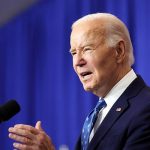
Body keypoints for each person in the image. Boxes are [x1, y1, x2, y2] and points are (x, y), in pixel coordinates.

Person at [8, 13, 150, 150]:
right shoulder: (100, 112)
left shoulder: (145, 109)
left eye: (87, 49)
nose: (77, 62)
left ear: (118, 51)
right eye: (74, 53)